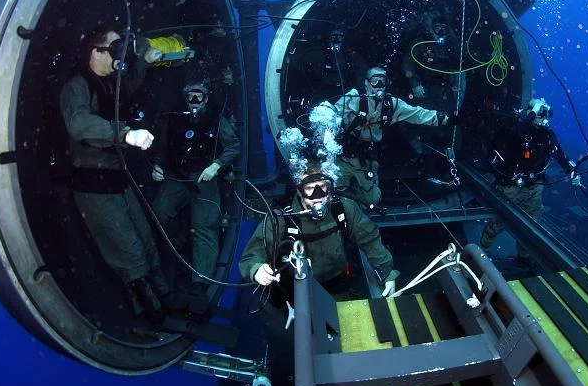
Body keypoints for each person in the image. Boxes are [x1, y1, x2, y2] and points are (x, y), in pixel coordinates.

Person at [60, 24, 170, 322]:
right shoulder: (77, 87)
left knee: (145, 239)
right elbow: (79, 123)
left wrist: (144, 64)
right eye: (115, 48)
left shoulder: (109, 82)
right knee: (128, 250)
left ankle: (165, 295)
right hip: (94, 187)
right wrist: (125, 134)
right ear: (96, 52)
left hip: (118, 179)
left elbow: (128, 89)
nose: (120, 55)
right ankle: (150, 313)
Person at [239, 163, 399, 300]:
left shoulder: (343, 207)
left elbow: (369, 237)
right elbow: (250, 257)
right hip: (296, 291)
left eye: (322, 187)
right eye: (309, 188)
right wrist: (256, 269)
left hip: (339, 285)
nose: (318, 195)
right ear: (299, 190)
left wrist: (386, 271)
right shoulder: (281, 218)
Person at [150, 79, 241, 294]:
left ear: (206, 99)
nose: (194, 101)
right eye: (190, 96)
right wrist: (157, 166)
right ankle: (179, 241)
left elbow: (233, 146)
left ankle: (201, 280)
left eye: (198, 96)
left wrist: (216, 165)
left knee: (205, 224)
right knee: (158, 212)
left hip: (205, 176)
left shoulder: (216, 119)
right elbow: (161, 146)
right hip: (177, 176)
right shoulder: (173, 119)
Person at [328, 66, 450, 207]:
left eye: (383, 81)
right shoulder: (354, 97)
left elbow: (416, 114)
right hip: (343, 157)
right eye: (375, 80)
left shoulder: (392, 103)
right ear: (367, 83)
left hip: (366, 159)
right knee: (335, 196)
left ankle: (359, 196)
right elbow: (333, 113)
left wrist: (443, 118)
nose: (379, 85)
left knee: (372, 201)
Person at [479, 97, 582, 264]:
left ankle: (524, 257)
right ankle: (481, 254)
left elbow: (559, 155)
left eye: (545, 114)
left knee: (532, 224)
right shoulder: (516, 129)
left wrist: (572, 171)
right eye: (539, 114)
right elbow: (512, 135)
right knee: (498, 223)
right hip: (510, 187)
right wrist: (531, 116)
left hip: (534, 188)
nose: (543, 118)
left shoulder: (547, 135)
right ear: (530, 113)